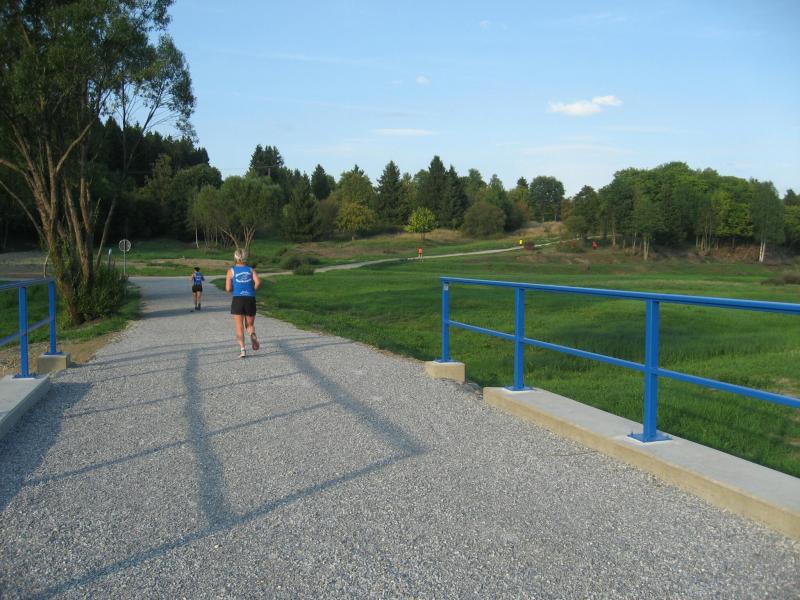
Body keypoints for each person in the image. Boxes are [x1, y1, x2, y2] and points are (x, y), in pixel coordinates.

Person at [225, 248, 261, 358]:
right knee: (249, 325)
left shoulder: (231, 271)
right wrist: (253, 290)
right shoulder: (250, 270)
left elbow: (228, 288)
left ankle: (243, 350)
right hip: (250, 299)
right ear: (245, 257)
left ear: (235, 257)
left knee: (239, 326)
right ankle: (252, 334)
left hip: (238, 299)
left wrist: (234, 289)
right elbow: (258, 282)